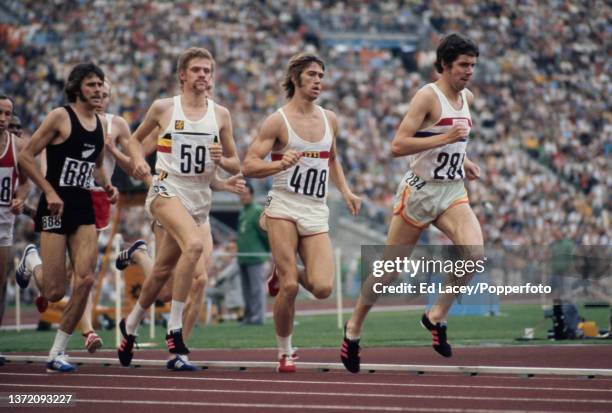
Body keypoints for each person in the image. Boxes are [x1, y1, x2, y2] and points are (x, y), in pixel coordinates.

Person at [340, 33, 482, 373]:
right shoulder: (427, 97)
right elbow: (398, 145)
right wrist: (446, 137)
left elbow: (454, 144)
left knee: (474, 254)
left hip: (451, 191)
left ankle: (435, 315)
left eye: (473, 65)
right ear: (445, 65)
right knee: (389, 270)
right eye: (463, 65)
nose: (469, 71)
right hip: (419, 192)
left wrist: (464, 160)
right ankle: (353, 329)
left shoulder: (469, 98)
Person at [118, 47, 240, 371]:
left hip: (199, 197)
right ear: (183, 75)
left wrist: (221, 161)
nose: (203, 75)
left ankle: (129, 326)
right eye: (197, 69)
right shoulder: (164, 108)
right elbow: (132, 139)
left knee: (161, 273)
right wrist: (138, 163)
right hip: (165, 188)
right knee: (195, 245)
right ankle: (174, 329)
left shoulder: (221, 114)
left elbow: (235, 162)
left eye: (208, 70)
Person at [243, 52, 361, 373]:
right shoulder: (277, 121)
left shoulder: (329, 119)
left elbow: (332, 159)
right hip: (282, 205)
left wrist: (346, 191)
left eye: (321, 76)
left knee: (323, 288)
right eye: (311, 75)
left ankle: (283, 269)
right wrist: (277, 164)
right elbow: (249, 165)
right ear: (295, 78)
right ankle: (285, 351)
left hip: (314, 209)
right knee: (291, 287)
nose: (318, 81)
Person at [16, 63, 118, 372]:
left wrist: (107, 185)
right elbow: (26, 155)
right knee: (54, 291)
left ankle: (57, 352)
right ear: (77, 89)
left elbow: (97, 164)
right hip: (55, 206)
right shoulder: (61, 117)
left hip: (82, 204)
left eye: (101, 84)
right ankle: (32, 262)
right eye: (91, 85)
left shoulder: (100, 124)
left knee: (86, 279)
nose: (99, 90)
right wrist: (48, 191)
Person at [0, 95, 30, 326]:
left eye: (7, 114)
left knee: (0, 283)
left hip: (4, 222)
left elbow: (27, 182)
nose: (3, 119)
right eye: (0, 113)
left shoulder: (18, 146)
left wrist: (20, 199)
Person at [237, 181, 270, 325]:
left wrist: (267, 251)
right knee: (246, 290)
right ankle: (249, 316)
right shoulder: (243, 212)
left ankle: (258, 317)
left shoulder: (256, 210)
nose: (242, 197)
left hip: (256, 257)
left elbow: (265, 233)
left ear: (251, 195)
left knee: (257, 289)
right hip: (243, 258)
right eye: (241, 195)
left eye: (245, 194)